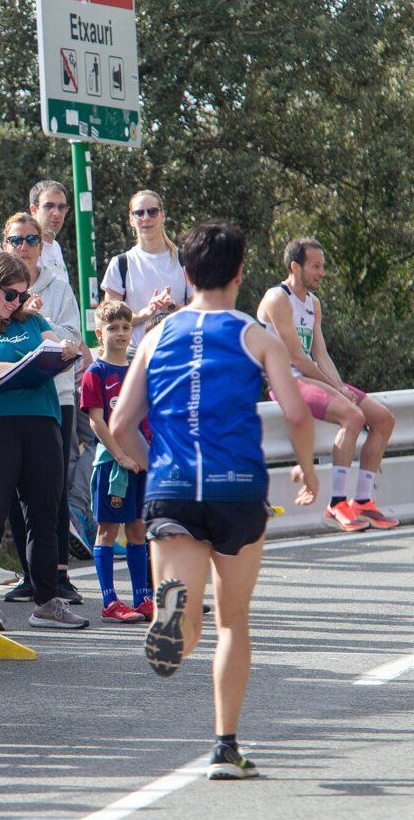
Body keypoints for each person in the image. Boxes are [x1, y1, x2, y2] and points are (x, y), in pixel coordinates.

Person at [109, 221, 319, 781]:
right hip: (237, 487)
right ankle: (225, 746)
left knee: (183, 616)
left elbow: (121, 422)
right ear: (241, 273)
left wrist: (150, 465)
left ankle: (171, 615)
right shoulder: (257, 335)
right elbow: (297, 413)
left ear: (185, 274)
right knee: (233, 621)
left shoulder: (155, 335)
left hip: (174, 486)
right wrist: (307, 468)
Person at [0, 252, 88, 631]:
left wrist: (65, 351)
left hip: (43, 420)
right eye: (9, 295)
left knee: (45, 511)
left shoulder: (32, 320)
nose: (17, 303)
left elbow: (54, 346)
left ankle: (47, 599)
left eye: (21, 296)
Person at [256, 238, 398, 532]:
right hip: (286, 380)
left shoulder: (313, 304)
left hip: (311, 378)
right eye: (315, 266)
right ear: (295, 266)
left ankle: (362, 500)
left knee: (383, 419)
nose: (321, 272)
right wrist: (336, 390)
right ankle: (336, 503)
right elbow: (296, 356)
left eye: (323, 266)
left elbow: (320, 354)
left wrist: (338, 385)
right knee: (353, 416)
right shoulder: (277, 298)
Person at [0, 213, 85, 605]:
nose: (24, 247)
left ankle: (57, 575)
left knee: (52, 490)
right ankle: (30, 577)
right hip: (9, 400)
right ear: (5, 245)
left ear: (43, 246)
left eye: (32, 240)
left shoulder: (59, 285)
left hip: (55, 395)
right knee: (14, 493)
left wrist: (35, 318)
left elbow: (73, 337)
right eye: (16, 240)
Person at [78, 300, 152, 624]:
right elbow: (97, 421)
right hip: (112, 465)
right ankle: (109, 601)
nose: (121, 333)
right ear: (99, 333)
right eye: (113, 328)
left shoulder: (139, 369)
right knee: (108, 530)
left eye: (126, 327)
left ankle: (143, 598)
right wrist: (121, 455)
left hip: (141, 463)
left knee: (138, 527)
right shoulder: (96, 373)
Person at [102, 190, 190, 349]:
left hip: (179, 352)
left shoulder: (185, 261)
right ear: (131, 219)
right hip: (134, 355)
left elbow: (200, 312)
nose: (146, 218)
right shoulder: (121, 263)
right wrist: (146, 313)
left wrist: (172, 306)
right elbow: (109, 320)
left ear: (162, 216)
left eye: (153, 211)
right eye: (139, 213)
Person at [30, 180, 71, 275]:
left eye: (61, 207)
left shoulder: (55, 246)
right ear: (34, 210)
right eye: (48, 206)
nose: (56, 213)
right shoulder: (25, 247)